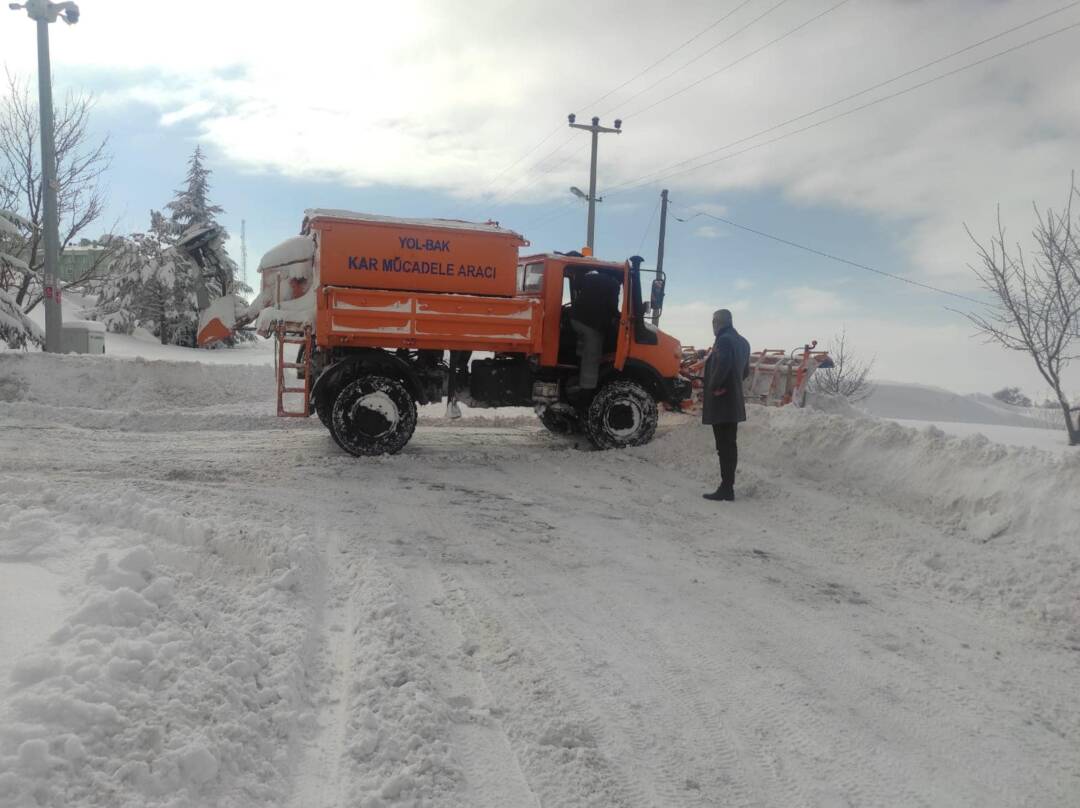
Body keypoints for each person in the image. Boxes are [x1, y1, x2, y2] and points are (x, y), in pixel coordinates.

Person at [702, 309, 751, 502]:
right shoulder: (743, 342)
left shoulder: (723, 340)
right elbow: (744, 372)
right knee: (730, 444)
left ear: (718, 323)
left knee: (724, 446)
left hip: (722, 400)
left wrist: (714, 386)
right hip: (734, 401)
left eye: (713, 322)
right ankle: (727, 487)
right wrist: (733, 383)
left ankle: (726, 489)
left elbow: (722, 365)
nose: (713, 326)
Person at [570, 270, 619, 390]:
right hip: (589, 323)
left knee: (584, 343)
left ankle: (575, 369)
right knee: (593, 352)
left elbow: (576, 285)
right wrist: (617, 316)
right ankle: (586, 388)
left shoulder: (590, 278)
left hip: (575, 318)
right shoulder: (614, 284)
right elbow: (612, 306)